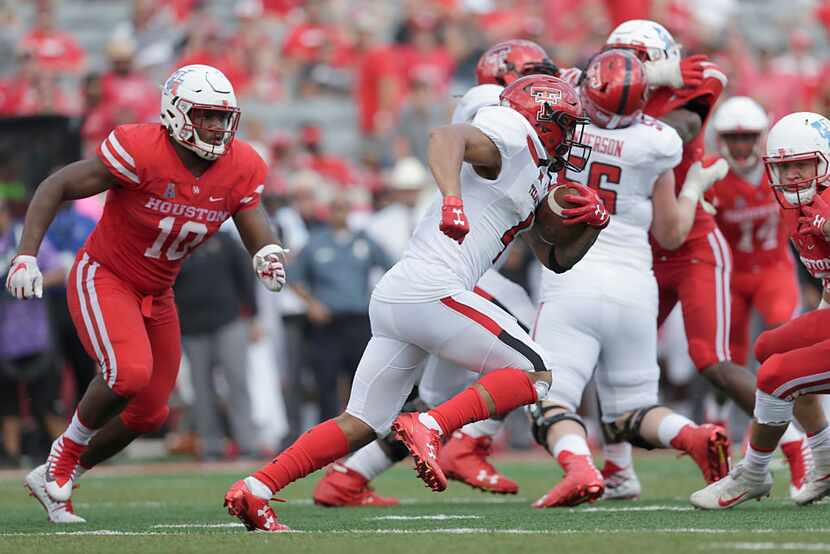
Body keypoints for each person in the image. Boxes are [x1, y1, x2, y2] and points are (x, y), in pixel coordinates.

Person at [224, 74, 608, 531]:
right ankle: (432, 425)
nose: (572, 137)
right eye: (566, 124)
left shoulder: (539, 172)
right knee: (537, 371)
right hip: (433, 287)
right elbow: (445, 137)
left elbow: (555, 259)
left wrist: (592, 224)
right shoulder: (512, 130)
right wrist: (451, 200)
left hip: (403, 293)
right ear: (543, 119)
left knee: (362, 421)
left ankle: (256, 488)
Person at [7, 64, 288, 523]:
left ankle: (61, 478)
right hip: (106, 275)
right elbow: (57, 185)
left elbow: (252, 218)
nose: (218, 127)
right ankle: (63, 454)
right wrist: (26, 255)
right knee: (128, 374)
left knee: (150, 412)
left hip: (158, 292)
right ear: (177, 114)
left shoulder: (242, 165)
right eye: (206, 116)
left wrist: (267, 252)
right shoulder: (140, 149)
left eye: (224, 117)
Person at [311, 39, 563, 506]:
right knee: (528, 350)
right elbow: (453, 144)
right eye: (536, 75)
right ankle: (468, 445)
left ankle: (350, 475)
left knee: (439, 394)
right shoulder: (498, 112)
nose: (549, 88)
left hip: (462, 262)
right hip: (454, 260)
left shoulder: (515, 124)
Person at [592, 19, 809, 492]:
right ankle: (618, 468)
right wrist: (635, 89)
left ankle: (795, 446)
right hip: (638, 247)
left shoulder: (687, 83)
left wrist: (639, 92)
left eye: (632, 61)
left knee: (710, 358)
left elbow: (690, 115)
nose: (619, 71)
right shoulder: (608, 95)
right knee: (612, 355)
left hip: (692, 243)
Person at [530, 49, 730, 508]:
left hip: (573, 279)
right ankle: (695, 437)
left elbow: (534, 87)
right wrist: (695, 188)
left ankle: (580, 468)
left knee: (547, 400)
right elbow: (670, 233)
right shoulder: (656, 141)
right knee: (630, 411)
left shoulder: (566, 112)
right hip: (635, 284)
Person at [690, 112, 830, 509]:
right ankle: (825, 458)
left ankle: (752, 473)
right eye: (784, 168)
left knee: (775, 375)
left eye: (801, 165)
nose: (792, 177)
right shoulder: (792, 207)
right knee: (769, 348)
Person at [706, 97, 808, 496]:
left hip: (772, 270)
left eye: (749, 137)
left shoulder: (780, 169)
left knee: (787, 356)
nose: (744, 146)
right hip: (730, 275)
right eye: (735, 138)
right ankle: (721, 432)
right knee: (723, 361)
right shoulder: (712, 176)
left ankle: (800, 441)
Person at [290, 191, 393, 422]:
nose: (339, 212)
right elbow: (293, 277)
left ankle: (364, 431)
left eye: (343, 207)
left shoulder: (363, 241)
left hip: (357, 320)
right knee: (325, 378)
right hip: (327, 322)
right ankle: (326, 432)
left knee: (361, 378)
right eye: (335, 207)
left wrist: (377, 296)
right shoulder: (315, 242)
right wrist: (311, 303)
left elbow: (392, 266)